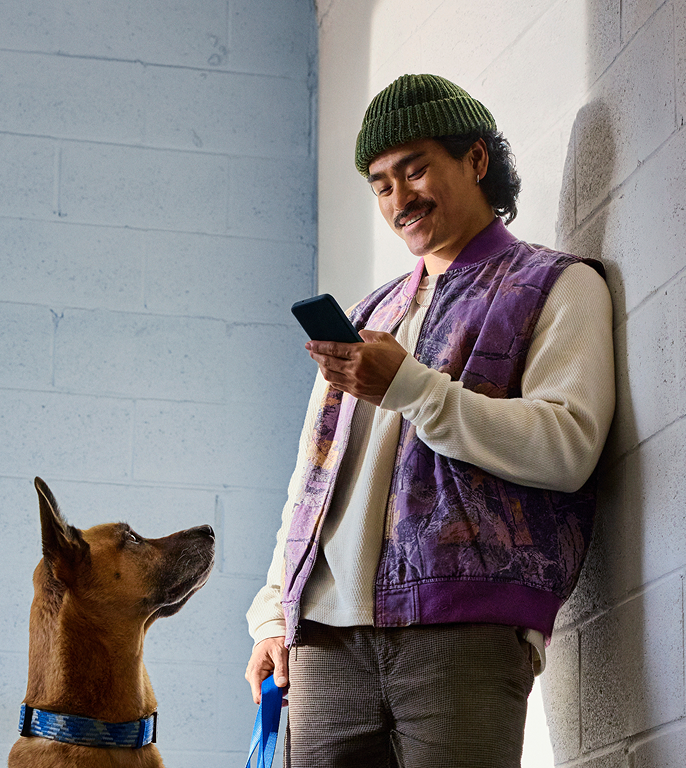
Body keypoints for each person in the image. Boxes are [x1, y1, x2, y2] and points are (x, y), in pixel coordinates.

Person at [243, 74, 615, 767]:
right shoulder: (368, 315)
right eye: (381, 183)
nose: (398, 198)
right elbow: (313, 481)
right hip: (322, 643)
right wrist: (273, 612)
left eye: (415, 169)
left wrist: (413, 388)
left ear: (476, 160)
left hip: (464, 634)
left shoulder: (557, 285)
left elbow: (569, 448)